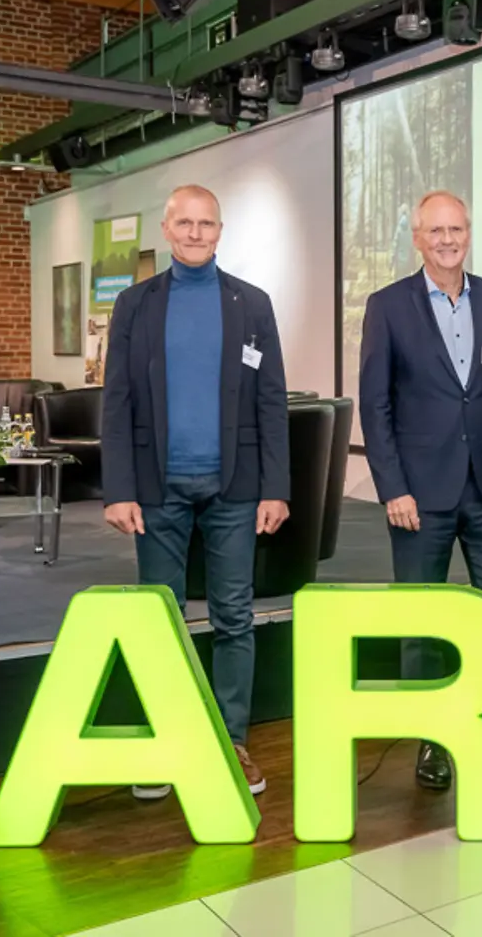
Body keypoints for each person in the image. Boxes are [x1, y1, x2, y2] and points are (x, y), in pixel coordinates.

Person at [101, 184, 290, 799]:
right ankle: (167, 744)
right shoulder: (134, 305)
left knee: (235, 617)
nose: (195, 233)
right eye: (184, 222)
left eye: (206, 223)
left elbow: (269, 401)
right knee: (162, 618)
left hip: (235, 488)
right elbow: (118, 400)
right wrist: (118, 489)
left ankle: (231, 742)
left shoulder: (252, 304)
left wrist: (276, 488)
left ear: (220, 230)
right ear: (165, 227)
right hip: (155, 491)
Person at [358, 189, 482, 795]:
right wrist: (393, 487)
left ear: (469, 234)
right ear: (417, 238)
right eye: (435, 231)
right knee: (424, 623)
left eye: (456, 229)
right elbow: (376, 405)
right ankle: (433, 744)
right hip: (419, 495)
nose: (447, 240)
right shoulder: (387, 306)